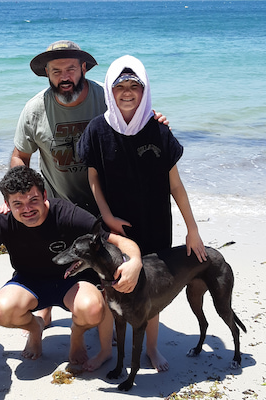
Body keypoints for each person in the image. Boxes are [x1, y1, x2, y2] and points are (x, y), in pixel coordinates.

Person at [4, 40, 169, 328]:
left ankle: (110, 314)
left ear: (83, 68)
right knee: (57, 258)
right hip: (59, 202)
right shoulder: (33, 109)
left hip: (108, 201)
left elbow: (133, 113)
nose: (64, 77)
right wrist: (18, 197)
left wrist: (153, 120)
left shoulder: (104, 97)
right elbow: (20, 156)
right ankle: (48, 306)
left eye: (70, 68)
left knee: (108, 264)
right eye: (56, 71)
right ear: (47, 74)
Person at [77, 55, 207, 372]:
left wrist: (193, 229)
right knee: (110, 287)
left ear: (144, 89)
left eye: (134, 85)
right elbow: (93, 179)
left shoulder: (159, 131)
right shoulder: (97, 129)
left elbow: (176, 186)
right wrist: (106, 216)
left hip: (154, 223)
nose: (127, 92)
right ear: (109, 89)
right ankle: (107, 348)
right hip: (114, 227)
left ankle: (151, 348)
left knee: (149, 289)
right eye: (120, 85)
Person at [0, 165, 143, 371]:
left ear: (44, 195)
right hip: (29, 282)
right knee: (1, 312)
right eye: (18, 204)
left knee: (93, 309)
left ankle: (76, 336)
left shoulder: (68, 215)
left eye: (33, 200)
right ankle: (35, 328)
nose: (27, 209)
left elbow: (119, 242)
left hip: (72, 282)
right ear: (7, 204)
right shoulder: (2, 221)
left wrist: (135, 261)